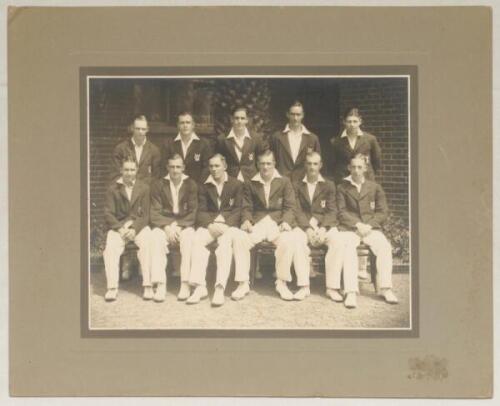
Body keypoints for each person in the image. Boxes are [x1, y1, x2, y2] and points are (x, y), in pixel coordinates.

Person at [232, 150, 310, 301]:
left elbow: (290, 206)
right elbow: (246, 207)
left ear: (274, 164)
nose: (265, 167)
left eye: (269, 163)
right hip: (258, 223)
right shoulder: (250, 183)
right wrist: (246, 220)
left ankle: (281, 282)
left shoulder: (284, 181)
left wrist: (286, 221)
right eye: (262, 164)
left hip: (277, 223)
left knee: (288, 241)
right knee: (240, 238)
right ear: (257, 165)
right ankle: (243, 283)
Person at [292, 152, 356, 305]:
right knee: (296, 241)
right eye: (309, 163)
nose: (312, 167)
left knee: (338, 241)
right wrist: (307, 229)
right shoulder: (296, 184)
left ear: (320, 165)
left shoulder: (329, 185)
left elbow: (332, 211)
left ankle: (332, 287)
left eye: (315, 164)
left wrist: (323, 228)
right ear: (305, 165)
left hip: (324, 226)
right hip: (304, 226)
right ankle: (304, 286)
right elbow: (296, 210)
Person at [336, 154, 398, 308]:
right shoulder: (342, 187)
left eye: (359, 167)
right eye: (353, 167)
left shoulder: (374, 187)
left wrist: (369, 225)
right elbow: (341, 212)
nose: (356, 171)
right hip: (350, 229)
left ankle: (386, 288)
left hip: (370, 228)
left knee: (384, 247)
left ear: (365, 168)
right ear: (349, 168)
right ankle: (350, 291)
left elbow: (382, 211)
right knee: (348, 248)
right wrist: (357, 225)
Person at [186, 154, 246, 306]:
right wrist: (210, 225)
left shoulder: (236, 184)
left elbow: (238, 210)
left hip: (228, 226)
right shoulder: (204, 185)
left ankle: (219, 288)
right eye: (211, 166)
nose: (214, 169)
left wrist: (226, 224)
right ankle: (200, 287)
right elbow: (200, 210)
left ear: (224, 166)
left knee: (224, 247)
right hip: (210, 225)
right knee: (197, 240)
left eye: (217, 166)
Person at [102, 157, 152, 301]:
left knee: (148, 243)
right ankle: (112, 287)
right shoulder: (113, 188)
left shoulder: (144, 188)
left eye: (132, 170)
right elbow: (108, 213)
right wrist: (120, 229)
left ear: (136, 171)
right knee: (110, 247)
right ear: (121, 171)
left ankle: (148, 285)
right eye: (126, 170)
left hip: (138, 226)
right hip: (120, 227)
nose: (129, 173)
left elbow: (146, 215)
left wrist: (135, 229)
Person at [149, 154, 197, 302]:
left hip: (184, 224)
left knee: (189, 238)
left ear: (183, 168)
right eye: (172, 167)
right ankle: (160, 284)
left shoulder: (191, 184)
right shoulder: (158, 185)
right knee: (156, 237)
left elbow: (193, 212)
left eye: (178, 167)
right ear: (167, 168)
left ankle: (185, 284)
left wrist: (179, 226)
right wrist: (167, 227)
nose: (175, 170)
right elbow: (154, 212)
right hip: (165, 224)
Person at [268, 101, 321, 182]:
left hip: (303, 183)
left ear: (302, 115)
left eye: (298, 115)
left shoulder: (312, 139)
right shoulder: (277, 137)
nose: (295, 118)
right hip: (281, 182)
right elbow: (270, 161)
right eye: (292, 114)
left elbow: (317, 164)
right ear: (287, 114)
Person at [215, 107, 269, 182]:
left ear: (247, 120)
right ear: (231, 119)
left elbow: (260, 159)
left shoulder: (255, 138)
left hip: (251, 180)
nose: (239, 121)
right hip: (230, 180)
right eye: (236, 118)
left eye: (242, 118)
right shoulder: (222, 139)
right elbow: (218, 161)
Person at [330, 107, 382, 184]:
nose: (352, 124)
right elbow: (332, 163)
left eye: (355, 121)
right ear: (344, 122)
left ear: (360, 121)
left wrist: (366, 173)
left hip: (365, 180)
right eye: (349, 121)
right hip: (344, 181)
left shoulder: (370, 139)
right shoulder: (336, 141)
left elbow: (377, 161)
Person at [161, 112, 213, 184]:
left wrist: (197, 186)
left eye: (188, 122)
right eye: (182, 123)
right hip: (174, 186)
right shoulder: (169, 143)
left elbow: (207, 168)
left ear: (193, 125)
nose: (185, 125)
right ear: (178, 125)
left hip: (197, 186)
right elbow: (164, 167)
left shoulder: (203, 144)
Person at [110, 114, 161, 184]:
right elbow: (115, 175)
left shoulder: (154, 150)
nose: (140, 132)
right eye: (138, 129)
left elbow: (156, 178)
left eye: (143, 129)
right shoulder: (121, 149)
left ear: (147, 130)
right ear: (132, 128)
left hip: (147, 192)